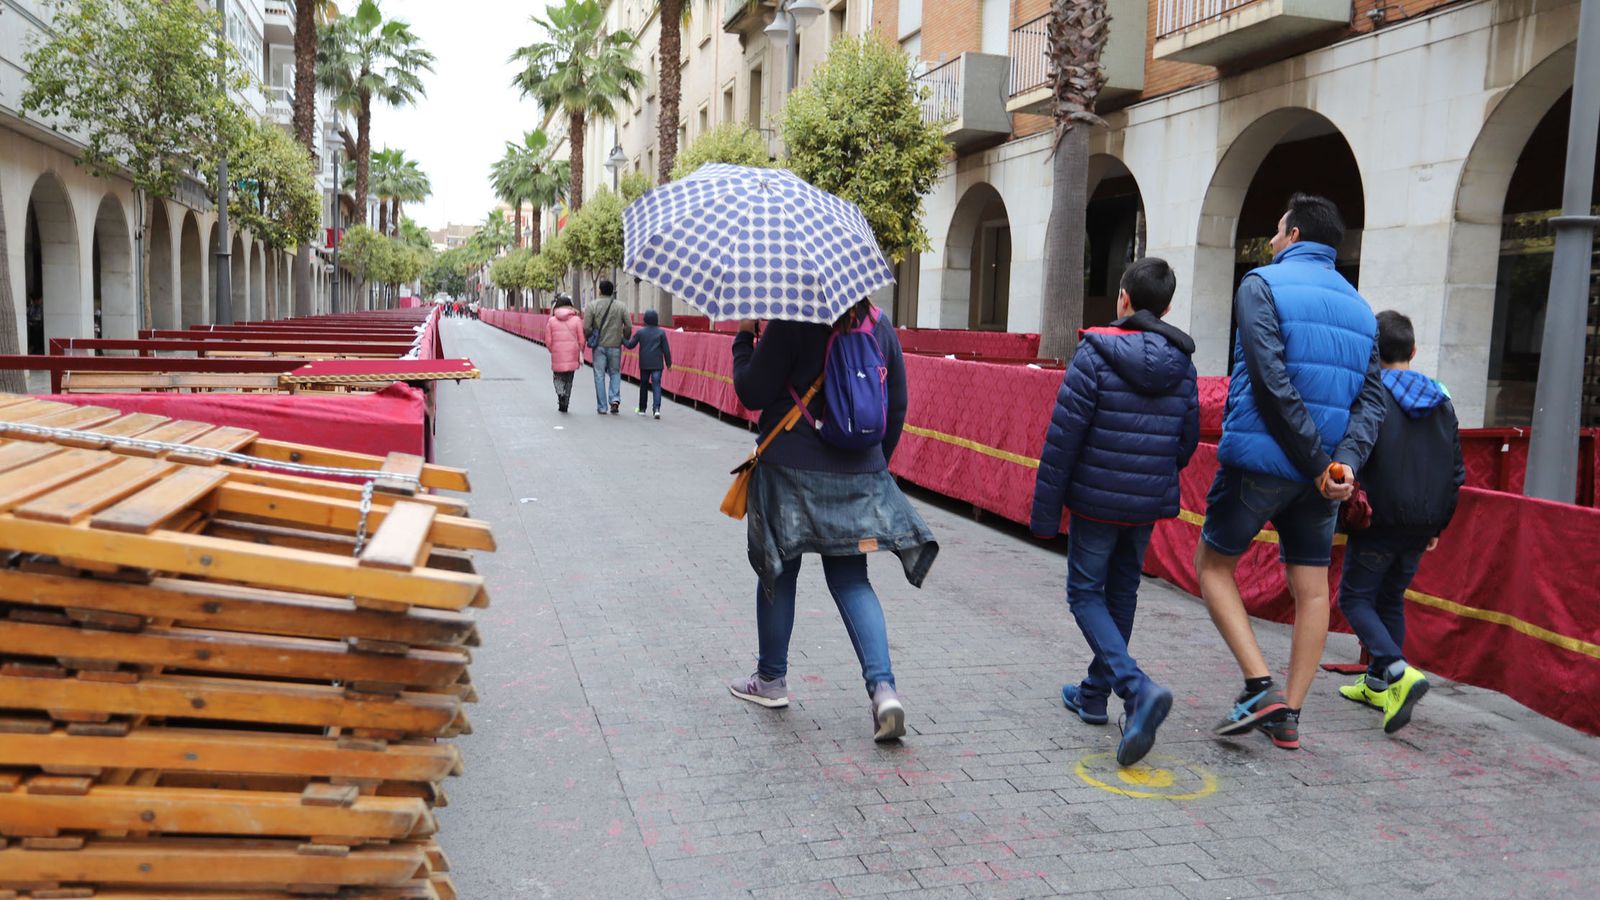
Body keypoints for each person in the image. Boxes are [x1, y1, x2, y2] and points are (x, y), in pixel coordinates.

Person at [1196, 193, 1386, 751]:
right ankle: (1289, 716)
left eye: (1278, 231)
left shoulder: (1261, 284)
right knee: (1312, 590)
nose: (1273, 241)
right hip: (1323, 479)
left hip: (1263, 464)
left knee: (1213, 565)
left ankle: (1260, 686)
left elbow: (1269, 380)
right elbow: (1371, 402)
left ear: (1295, 234)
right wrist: (1342, 464)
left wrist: (1318, 462)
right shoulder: (1361, 309)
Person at [727, 300, 938, 742]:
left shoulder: (790, 319)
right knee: (852, 580)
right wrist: (871, 465)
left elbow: (752, 392)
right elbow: (896, 405)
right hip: (859, 472)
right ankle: (883, 691)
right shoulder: (877, 324)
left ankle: (771, 679)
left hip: (790, 468)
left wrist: (745, 335)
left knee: (779, 571)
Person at [1031, 258, 1199, 767]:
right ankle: (1092, 694)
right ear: (1166, 307)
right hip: (1145, 502)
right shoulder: (1183, 363)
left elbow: (1063, 439)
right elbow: (1186, 442)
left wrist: (1044, 513)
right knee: (1122, 593)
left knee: (1085, 593)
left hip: (1096, 500)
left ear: (1123, 297)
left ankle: (1135, 688)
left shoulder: (1095, 352)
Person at [1336, 310, 1464, 734]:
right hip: (1422, 522)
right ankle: (1378, 685)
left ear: (1371, 352)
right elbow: (1456, 471)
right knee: (1390, 598)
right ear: (1413, 350)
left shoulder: (1369, 396)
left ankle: (1395, 670)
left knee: (1354, 598)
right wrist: (1438, 526)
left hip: (1379, 518)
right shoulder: (1442, 400)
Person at [584, 280, 632, 415]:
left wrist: (590, 337)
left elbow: (586, 327)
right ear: (612, 291)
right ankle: (615, 399)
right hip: (615, 345)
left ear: (599, 290)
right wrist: (625, 337)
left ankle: (602, 407)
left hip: (599, 346)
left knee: (599, 375)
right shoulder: (621, 306)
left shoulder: (592, 306)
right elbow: (628, 326)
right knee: (615, 372)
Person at [623, 308, 673, 418]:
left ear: (645, 319)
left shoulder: (641, 332)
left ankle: (642, 409)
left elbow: (630, 345)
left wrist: (622, 339)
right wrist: (669, 364)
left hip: (645, 363)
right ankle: (656, 409)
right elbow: (666, 350)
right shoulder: (661, 333)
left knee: (644, 385)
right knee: (656, 385)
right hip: (657, 364)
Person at [544, 293, 584, 414]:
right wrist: (580, 350)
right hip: (572, 354)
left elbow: (548, 341)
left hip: (557, 354)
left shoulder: (551, 321)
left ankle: (560, 393)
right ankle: (565, 403)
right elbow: (581, 339)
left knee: (557, 378)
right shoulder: (577, 320)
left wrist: (553, 350)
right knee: (569, 380)